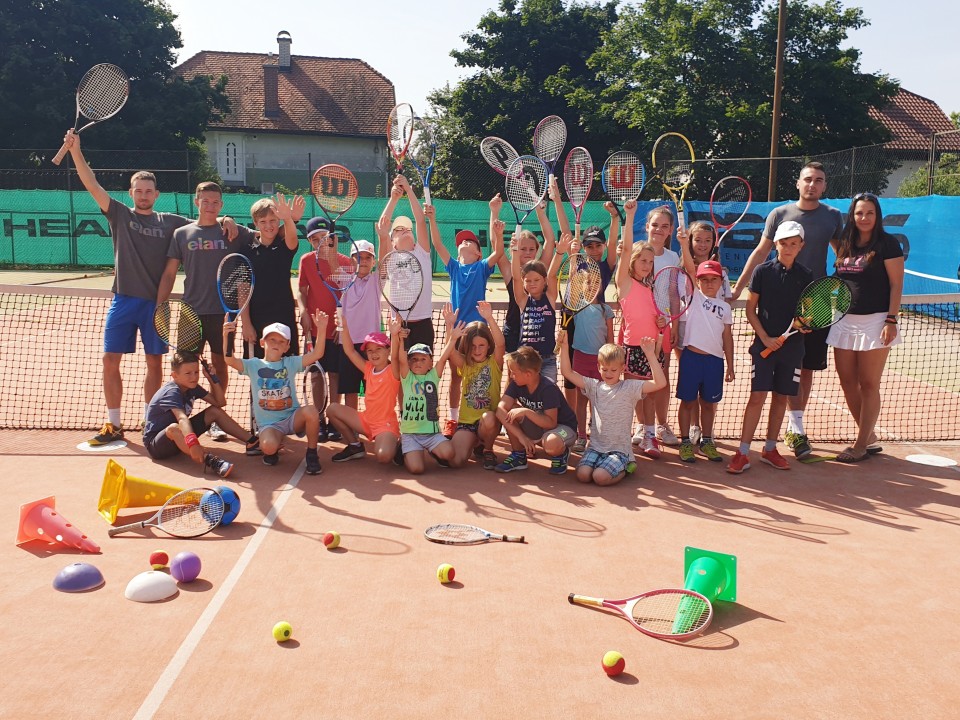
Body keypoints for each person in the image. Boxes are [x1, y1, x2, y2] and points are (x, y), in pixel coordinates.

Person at [62, 129, 237, 445]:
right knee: (109, 359)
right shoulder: (118, 214)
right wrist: (76, 151)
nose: (143, 195)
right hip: (123, 301)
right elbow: (91, 184)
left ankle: (150, 422)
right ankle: (113, 424)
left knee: (155, 363)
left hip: (156, 305)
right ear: (130, 193)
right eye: (138, 190)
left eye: (149, 191)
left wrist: (225, 218)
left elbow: (205, 220)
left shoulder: (171, 223)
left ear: (156, 195)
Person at [732, 162, 843, 459]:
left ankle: (796, 429)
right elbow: (760, 253)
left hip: (815, 305)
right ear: (798, 182)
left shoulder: (833, 216)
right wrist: (737, 289)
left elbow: (842, 254)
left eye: (819, 180)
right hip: (777, 306)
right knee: (768, 386)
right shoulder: (779, 214)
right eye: (808, 179)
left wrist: (844, 290)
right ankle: (761, 444)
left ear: (824, 185)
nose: (812, 184)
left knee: (804, 369)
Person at [157, 181, 253, 441]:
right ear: (196, 202)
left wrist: (230, 220)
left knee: (220, 365)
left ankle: (216, 417)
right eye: (205, 201)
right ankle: (182, 417)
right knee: (186, 367)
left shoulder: (233, 232)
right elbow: (168, 274)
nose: (210, 206)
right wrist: (160, 305)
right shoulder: (182, 234)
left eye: (215, 202)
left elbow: (263, 237)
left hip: (225, 314)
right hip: (191, 313)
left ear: (221, 205)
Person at [727, 221, 812, 474]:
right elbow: (751, 310)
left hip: (792, 348)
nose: (788, 248)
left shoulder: (806, 275)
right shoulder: (762, 272)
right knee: (757, 397)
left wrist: (805, 324)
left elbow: (807, 312)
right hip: (763, 347)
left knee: (781, 397)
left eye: (793, 243)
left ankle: (770, 448)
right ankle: (743, 453)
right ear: (775, 244)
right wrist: (764, 338)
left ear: (801, 246)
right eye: (783, 243)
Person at [827, 193, 904, 462]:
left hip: (876, 320)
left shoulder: (888, 244)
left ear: (877, 215)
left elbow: (896, 284)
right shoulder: (845, 244)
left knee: (869, 383)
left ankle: (860, 445)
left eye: (869, 213)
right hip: (844, 320)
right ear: (853, 215)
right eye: (859, 213)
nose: (864, 218)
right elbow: (838, 279)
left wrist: (891, 320)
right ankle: (869, 436)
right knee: (848, 382)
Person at [427, 199, 504, 436]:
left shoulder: (482, 267)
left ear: (478, 252)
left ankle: (490, 418)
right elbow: (438, 243)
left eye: (469, 241)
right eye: (461, 241)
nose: (464, 242)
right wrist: (431, 218)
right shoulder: (453, 267)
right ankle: (452, 420)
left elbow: (499, 251)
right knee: (455, 377)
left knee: (485, 375)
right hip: (457, 329)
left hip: (478, 330)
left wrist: (496, 222)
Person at [221, 314, 328, 475]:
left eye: (281, 341)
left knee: (312, 411)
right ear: (263, 343)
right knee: (268, 447)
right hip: (270, 425)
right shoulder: (253, 365)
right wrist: (226, 336)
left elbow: (317, 354)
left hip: (293, 418)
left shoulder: (290, 363)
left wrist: (322, 328)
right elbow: (229, 360)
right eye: (272, 340)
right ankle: (274, 447)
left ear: (286, 347)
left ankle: (312, 453)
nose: (276, 344)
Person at [559, 338, 664, 485]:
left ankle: (627, 465)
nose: (608, 373)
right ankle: (603, 465)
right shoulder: (593, 386)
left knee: (600, 477)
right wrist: (564, 346)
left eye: (613, 370)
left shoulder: (630, 387)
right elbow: (567, 372)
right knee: (583, 475)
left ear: (622, 368)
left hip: (619, 450)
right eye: (604, 369)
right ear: (598, 367)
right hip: (595, 447)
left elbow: (660, 383)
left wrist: (650, 355)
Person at [614, 200, 670, 459]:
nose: (647, 265)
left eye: (650, 261)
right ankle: (626, 436)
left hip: (652, 350)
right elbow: (625, 248)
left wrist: (661, 323)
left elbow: (654, 317)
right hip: (632, 349)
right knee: (633, 395)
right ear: (633, 262)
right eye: (643, 261)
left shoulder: (649, 287)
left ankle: (650, 436)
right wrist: (630, 215)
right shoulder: (623, 283)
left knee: (648, 396)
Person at [142, 351, 252, 477]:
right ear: (174, 375)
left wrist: (212, 379)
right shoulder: (171, 392)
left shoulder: (192, 386)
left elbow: (220, 402)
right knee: (173, 428)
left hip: (182, 436)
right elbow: (182, 418)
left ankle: (253, 442)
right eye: (188, 373)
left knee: (214, 411)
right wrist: (193, 443)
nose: (193, 377)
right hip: (158, 445)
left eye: (196, 372)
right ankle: (210, 460)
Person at [672, 257, 735, 463]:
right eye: (704, 279)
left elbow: (727, 337)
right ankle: (685, 442)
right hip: (691, 360)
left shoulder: (725, 308)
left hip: (714, 362)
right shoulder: (694, 298)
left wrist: (731, 366)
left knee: (708, 404)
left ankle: (706, 441)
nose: (709, 283)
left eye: (713, 279)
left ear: (721, 282)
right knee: (687, 402)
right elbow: (690, 268)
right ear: (697, 282)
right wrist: (683, 242)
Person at [393, 312, 465, 474]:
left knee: (449, 453)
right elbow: (401, 359)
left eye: (423, 359)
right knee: (417, 469)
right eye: (414, 359)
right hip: (411, 434)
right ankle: (403, 448)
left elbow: (445, 355)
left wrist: (452, 335)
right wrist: (399, 337)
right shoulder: (407, 377)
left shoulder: (433, 375)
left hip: (432, 434)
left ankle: (433, 450)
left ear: (430, 363)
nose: (418, 362)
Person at [326, 314, 401, 464]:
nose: (374, 354)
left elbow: (395, 357)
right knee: (332, 410)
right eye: (370, 350)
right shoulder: (368, 369)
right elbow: (350, 351)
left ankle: (398, 445)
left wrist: (394, 335)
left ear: (388, 350)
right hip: (366, 421)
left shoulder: (393, 371)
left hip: (385, 425)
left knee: (383, 456)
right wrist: (344, 327)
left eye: (378, 349)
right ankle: (355, 445)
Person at [239, 194, 306, 360]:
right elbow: (243, 289)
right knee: (257, 375)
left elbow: (291, 238)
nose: (268, 225)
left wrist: (288, 218)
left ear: (279, 221)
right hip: (257, 320)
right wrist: (246, 324)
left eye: (273, 220)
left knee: (286, 370)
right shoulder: (246, 252)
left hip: (284, 317)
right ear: (255, 223)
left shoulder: (284, 246)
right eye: (263, 221)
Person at [297, 216, 345, 441]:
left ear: (333, 238)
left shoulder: (346, 262)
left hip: (337, 330)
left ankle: (335, 420)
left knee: (334, 375)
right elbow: (302, 291)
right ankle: (319, 420)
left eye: (323, 238)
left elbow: (348, 297)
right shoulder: (306, 261)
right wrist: (303, 311)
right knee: (316, 376)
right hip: (314, 331)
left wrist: (343, 324)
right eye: (314, 239)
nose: (319, 243)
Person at [494, 346, 578, 475]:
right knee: (510, 411)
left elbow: (551, 423)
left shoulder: (548, 388)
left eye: (514, 372)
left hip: (564, 428)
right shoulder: (515, 384)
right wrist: (522, 437)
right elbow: (500, 410)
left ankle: (561, 453)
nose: (511, 375)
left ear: (528, 374)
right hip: (540, 426)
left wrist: (526, 412)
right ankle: (519, 455)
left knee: (551, 443)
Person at [376, 176, 435, 350]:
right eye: (399, 230)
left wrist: (408, 189)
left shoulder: (421, 252)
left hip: (424, 322)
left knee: (423, 372)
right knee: (400, 372)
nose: (405, 230)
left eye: (408, 229)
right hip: (399, 325)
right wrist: (393, 199)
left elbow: (420, 220)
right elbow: (383, 227)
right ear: (392, 241)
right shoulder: (390, 256)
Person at [448, 301, 506, 470]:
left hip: (488, 422)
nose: (477, 350)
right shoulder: (465, 364)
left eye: (481, 345)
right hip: (467, 423)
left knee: (488, 418)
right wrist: (449, 325)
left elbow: (501, 344)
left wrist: (489, 318)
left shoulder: (494, 363)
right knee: (456, 461)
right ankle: (475, 443)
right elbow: (451, 351)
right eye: (473, 346)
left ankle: (487, 449)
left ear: (488, 345)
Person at [511, 230, 565, 385]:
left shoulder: (549, 298)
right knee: (527, 398)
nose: (532, 283)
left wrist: (559, 252)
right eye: (528, 281)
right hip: (525, 360)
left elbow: (552, 273)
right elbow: (515, 277)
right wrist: (515, 251)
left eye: (536, 279)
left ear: (544, 281)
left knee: (548, 397)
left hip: (547, 360)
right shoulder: (523, 300)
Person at [336, 239, 381, 412]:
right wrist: (332, 240)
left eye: (367, 257)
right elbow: (332, 261)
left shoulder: (377, 280)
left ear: (374, 262)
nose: (363, 261)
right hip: (347, 343)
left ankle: (375, 424)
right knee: (350, 389)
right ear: (351, 260)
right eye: (358, 257)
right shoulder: (344, 279)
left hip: (371, 345)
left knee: (373, 386)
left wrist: (383, 236)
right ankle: (352, 427)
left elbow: (384, 254)